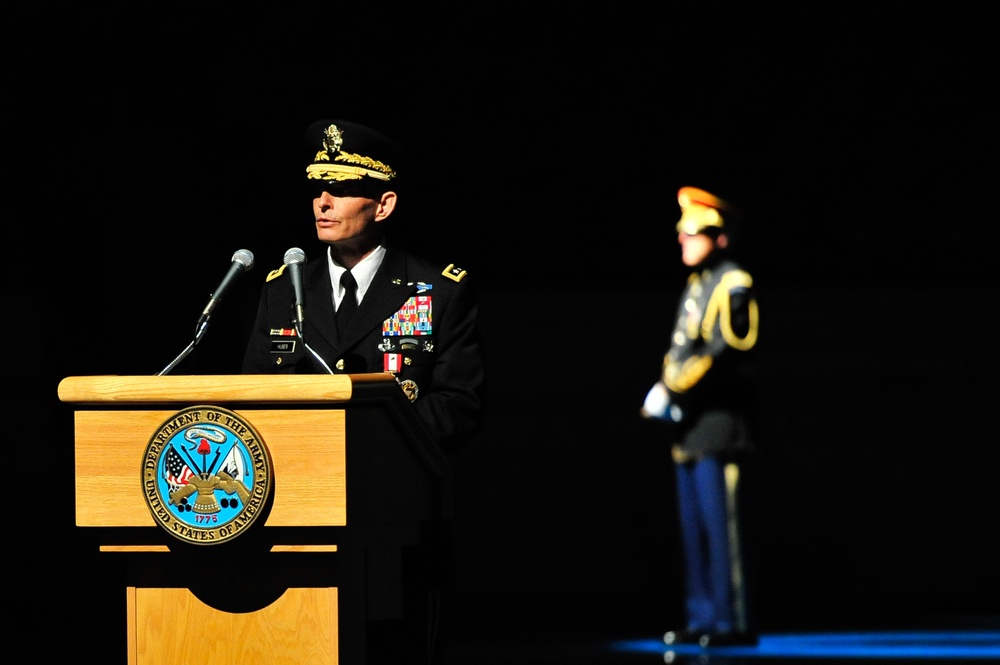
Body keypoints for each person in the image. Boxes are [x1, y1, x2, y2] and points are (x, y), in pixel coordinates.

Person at [242, 118, 486, 663]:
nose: (323, 202)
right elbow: (253, 398)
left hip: (398, 526)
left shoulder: (437, 290)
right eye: (317, 189)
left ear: (383, 205)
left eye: (344, 189)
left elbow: (459, 405)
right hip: (298, 521)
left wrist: (373, 439)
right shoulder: (284, 291)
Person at [641, 185, 760, 649]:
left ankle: (733, 621)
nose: (685, 240)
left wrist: (673, 386)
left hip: (720, 424)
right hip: (690, 425)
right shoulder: (697, 285)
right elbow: (682, 345)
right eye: (684, 233)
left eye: (697, 233)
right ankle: (703, 616)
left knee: (721, 528)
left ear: (721, 237)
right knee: (694, 529)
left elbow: (729, 348)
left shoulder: (733, 282)